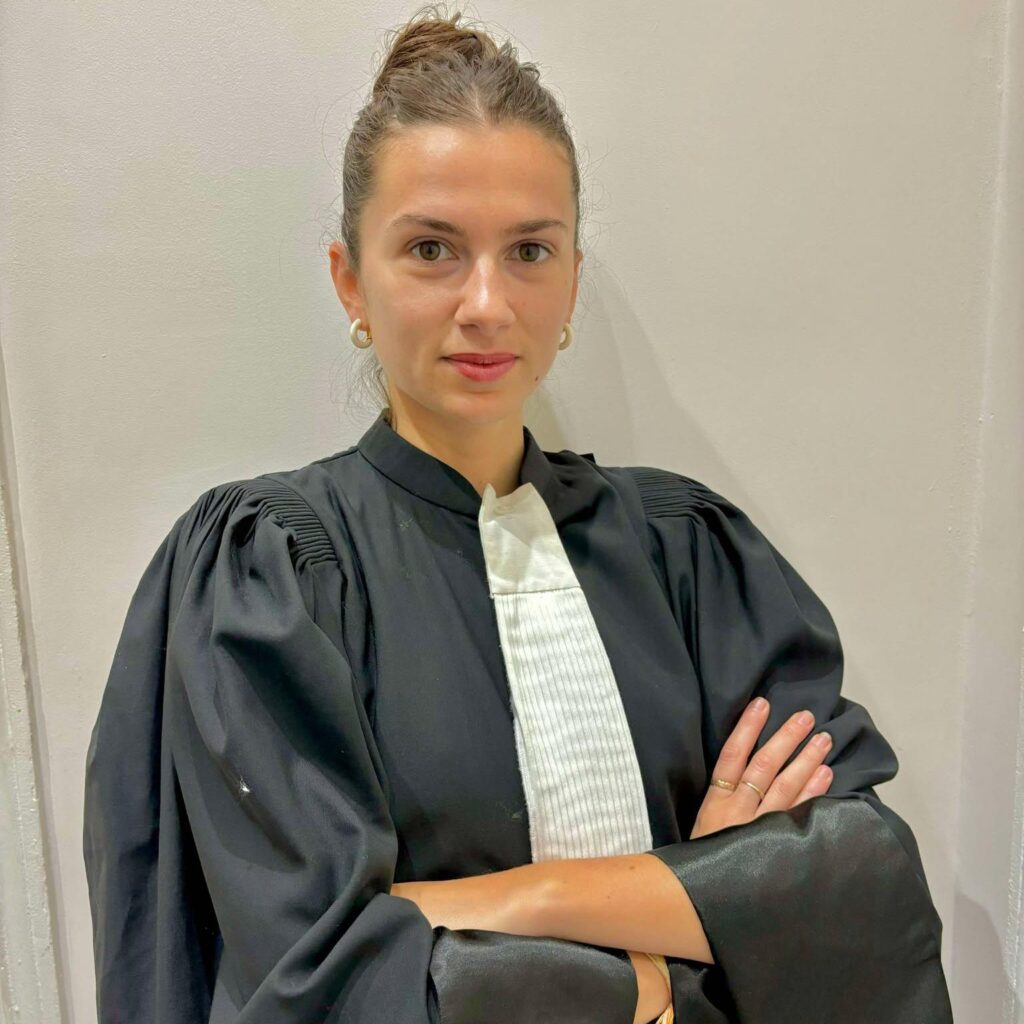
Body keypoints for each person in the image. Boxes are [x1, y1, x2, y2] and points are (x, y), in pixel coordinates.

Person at [82, 6, 954, 1023]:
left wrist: (494, 905)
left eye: (531, 251)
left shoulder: (690, 555)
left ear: (573, 278)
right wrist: (697, 916)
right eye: (432, 249)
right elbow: (320, 975)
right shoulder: (267, 575)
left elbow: (860, 882)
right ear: (350, 281)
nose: (488, 304)